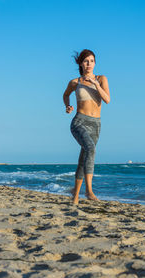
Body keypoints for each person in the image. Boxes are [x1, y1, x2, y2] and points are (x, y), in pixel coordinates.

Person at [63, 49, 110, 205]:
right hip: (79, 122)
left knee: (84, 159)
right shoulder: (75, 82)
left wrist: (96, 84)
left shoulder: (101, 79)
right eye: (86, 61)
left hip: (96, 125)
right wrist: (68, 106)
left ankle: (75, 197)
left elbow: (107, 99)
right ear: (80, 63)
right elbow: (65, 94)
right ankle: (89, 191)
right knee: (90, 149)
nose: (89, 64)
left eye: (91, 61)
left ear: (95, 63)